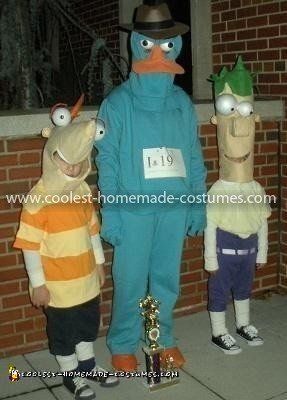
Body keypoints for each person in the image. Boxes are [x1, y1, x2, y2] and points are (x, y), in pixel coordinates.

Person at [95, 0, 206, 371]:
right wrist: (110, 212)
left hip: (173, 210)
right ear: (136, 43)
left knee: (164, 280)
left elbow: (192, 156)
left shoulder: (181, 103)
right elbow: (106, 160)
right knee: (128, 281)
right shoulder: (117, 104)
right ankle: (123, 342)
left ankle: (162, 337)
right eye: (149, 42)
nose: (158, 51)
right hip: (133, 211)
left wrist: (197, 203)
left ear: (176, 45)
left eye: (166, 42)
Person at [14, 100, 119, 400]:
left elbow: (92, 231)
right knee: (64, 332)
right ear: (51, 157)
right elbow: (30, 247)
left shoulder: (83, 191)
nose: (73, 169)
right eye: (66, 162)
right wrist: (38, 285)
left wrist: (99, 264)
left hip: (85, 279)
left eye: (78, 163)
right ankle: (71, 375)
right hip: (58, 286)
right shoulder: (38, 199)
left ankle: (88, 365)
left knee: (87, 325)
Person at [204, 56, 271, 355]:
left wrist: (263, 251)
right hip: (224, 250)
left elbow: (262, 222)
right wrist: (210, 259)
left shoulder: (256, 188)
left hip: (249, 251)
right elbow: (210, 225)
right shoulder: (218, 190)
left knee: (244, 290)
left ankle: (243, 324)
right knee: (219, 292)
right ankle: (219, 331)